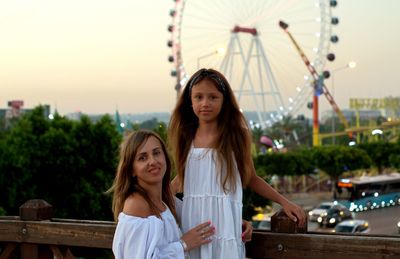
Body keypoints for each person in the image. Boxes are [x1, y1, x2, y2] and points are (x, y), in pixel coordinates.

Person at [168, 68, 306, 259]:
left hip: (224, 229)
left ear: (224, 100)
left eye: (213, 97)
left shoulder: (235, 135)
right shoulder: (186, 136)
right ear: (190, 101)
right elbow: (182, 179)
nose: (205, 103)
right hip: (194, 228)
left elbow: (250, 177)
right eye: (198, 97)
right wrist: (150, 200)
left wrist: (283, 201)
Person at [108, 130, 215, 258]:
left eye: (156, 153)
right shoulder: (136, 204)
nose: (152, 161)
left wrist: (239, 224)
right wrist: (183, 244)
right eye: (142, 158)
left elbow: (201, 217)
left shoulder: (164, 201)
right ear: (132, 170)